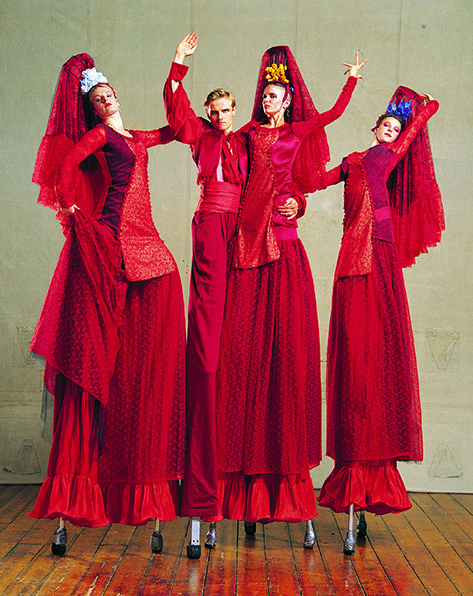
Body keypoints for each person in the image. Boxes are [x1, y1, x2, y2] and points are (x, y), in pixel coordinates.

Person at [29, 54, 186, 554]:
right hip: (115, 238)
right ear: (92, 109)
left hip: (149, 245)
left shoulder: (137, 138)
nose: (105, 100)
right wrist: (74, 209)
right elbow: (61, 169)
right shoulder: (99, 136)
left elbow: (176, 130)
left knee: (147, 366)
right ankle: (82, 493)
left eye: (108, 93)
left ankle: (145, 488)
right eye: (96, 99)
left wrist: (177, 73)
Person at [213, 46, 366, 542]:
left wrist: (352, 81)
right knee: (244, 357)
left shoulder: (297, 131)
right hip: (246, 245)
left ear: (287, 98)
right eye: (266, 93)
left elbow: (334, 116)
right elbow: (210, 143)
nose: (270, 98)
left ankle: (287, 493)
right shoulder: (244, 135)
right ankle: (242, 493)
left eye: (277, 93)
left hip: (284, 244)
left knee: (287, 356)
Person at [316, 88, 444, 555]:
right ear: (373, 128)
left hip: (380, 256)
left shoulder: (390, 155)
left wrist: (422, 113)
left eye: (394, 130)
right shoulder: (353, 161)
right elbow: (318, 179)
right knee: (354, 356)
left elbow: (409, 138)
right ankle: (353, 474)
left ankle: (373, 477)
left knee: (377, 355)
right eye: (385, 127)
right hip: (353, 258)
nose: (390, 134)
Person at [163, 34, 248, 525]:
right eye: (213, 111)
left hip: (244, 226)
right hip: (211, 226)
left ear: (235, 110)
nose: (219, 117)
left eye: (224, 110)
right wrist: (179, 64)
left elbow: (281, 165)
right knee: (210, 321)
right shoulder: (200, 135)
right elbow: (177, 114)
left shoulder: (246, 137)